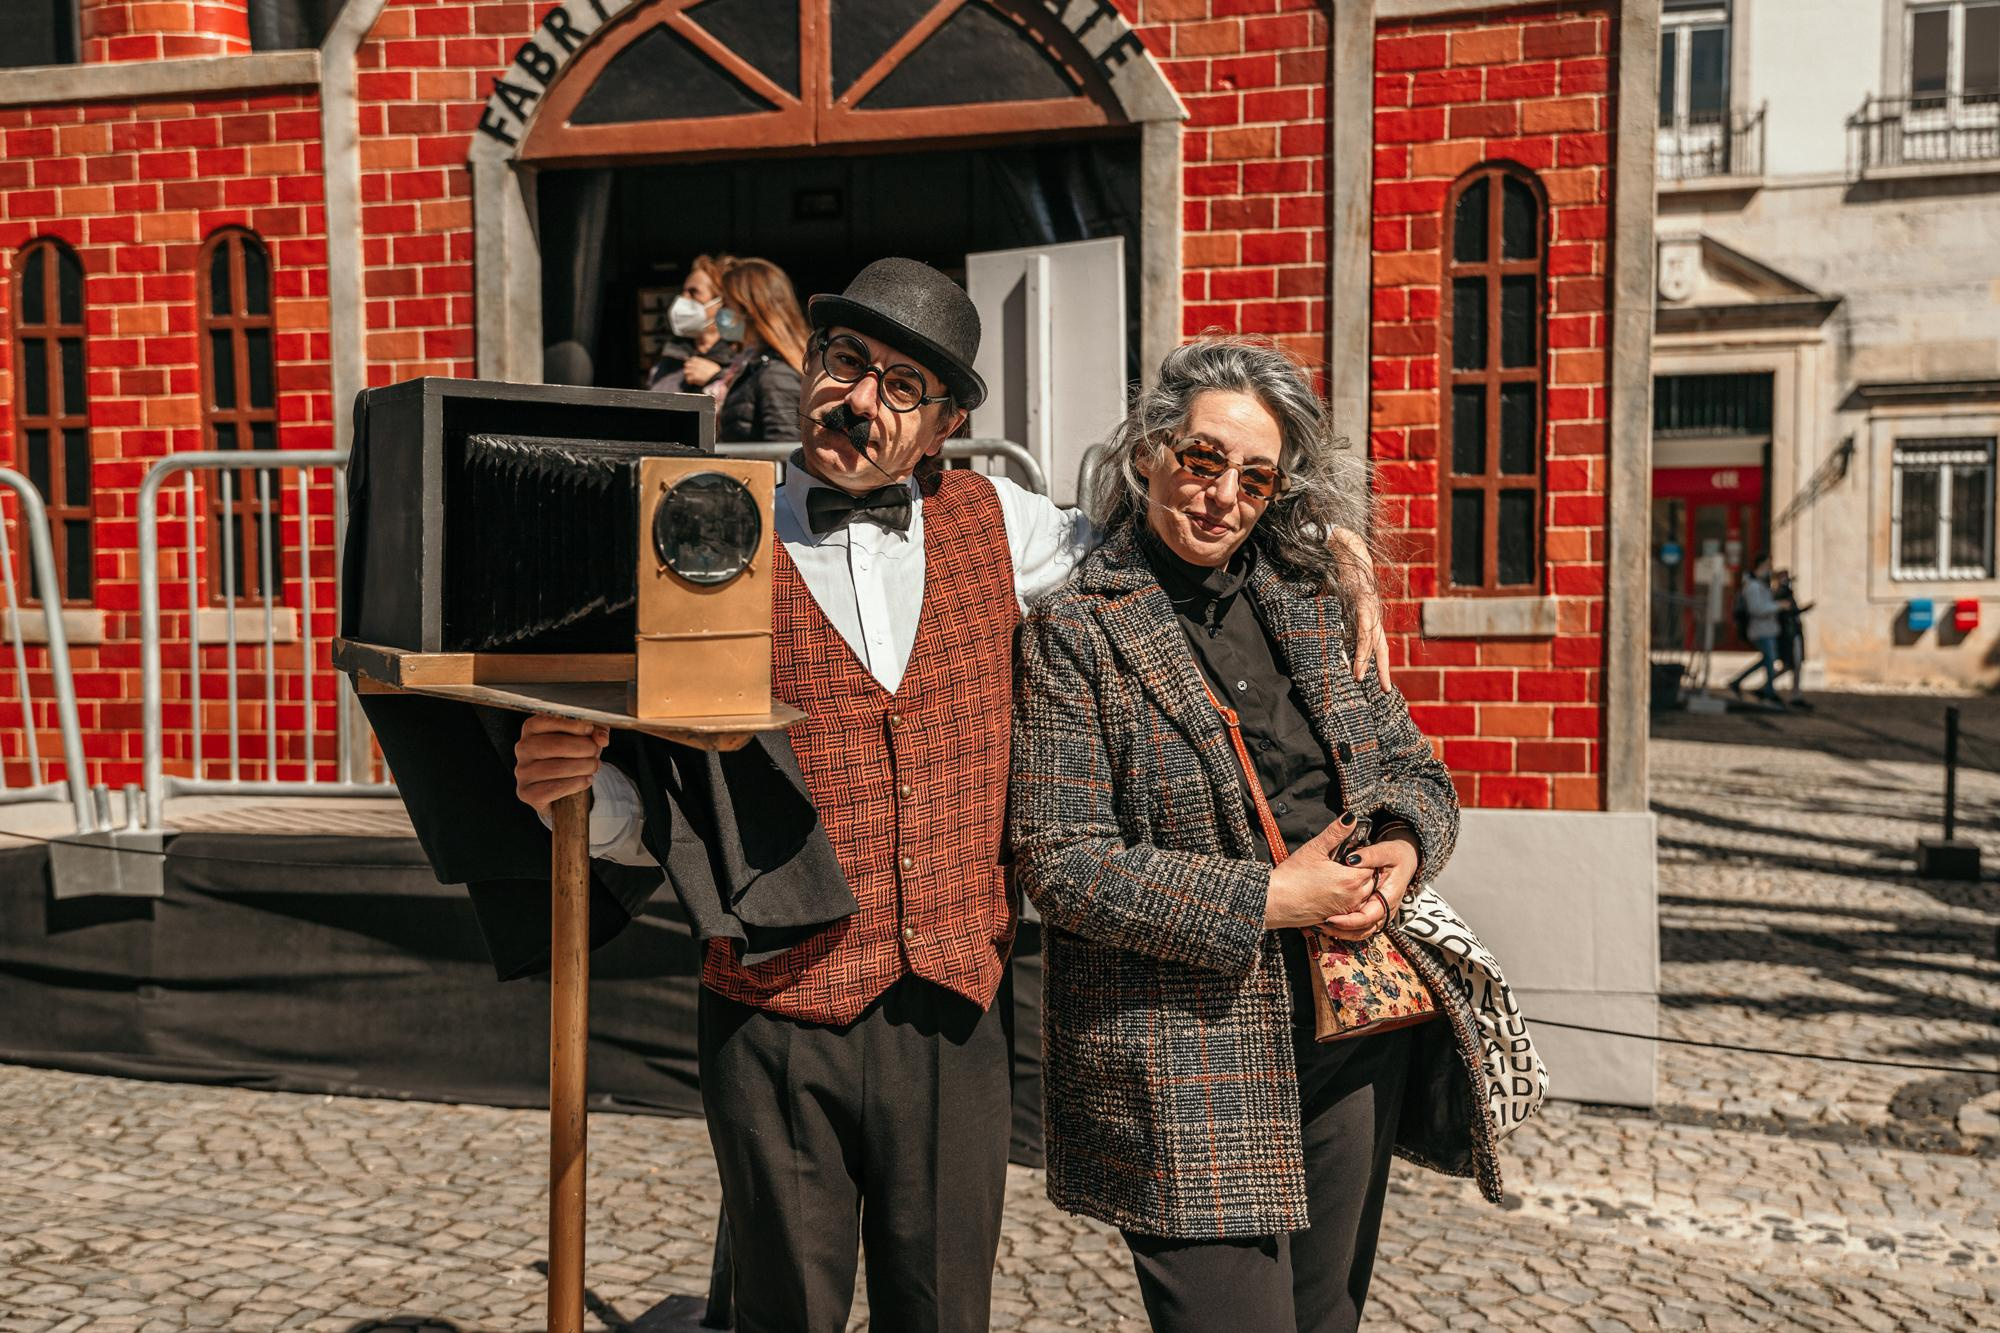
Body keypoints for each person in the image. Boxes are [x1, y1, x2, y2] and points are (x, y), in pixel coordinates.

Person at [509, 262, 1394, 1333]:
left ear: (942, 423)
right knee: (782, 1308)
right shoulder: (711, 530)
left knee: (942, 1312)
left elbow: (1180, 536)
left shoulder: (1007, 526)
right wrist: (573, 785)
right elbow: (655, 775)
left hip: (955, 1010)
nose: (859, 400)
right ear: (810, 368)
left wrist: (1325, 555)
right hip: (776, 1005)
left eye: (900, 387)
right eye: (844, 365)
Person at [1010, 338, 1528, 1333]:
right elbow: (1060, 862)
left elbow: (1416, 772)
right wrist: (1265, 898)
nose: (1222, 497)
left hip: (1347, 1026)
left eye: (1254, 476)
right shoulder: (1075, 627)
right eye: (1202, 461)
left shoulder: (1305, 601)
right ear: (1150, 449)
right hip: (1182, 1053)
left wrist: (1404, 849)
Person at [708, 257, 810, 443]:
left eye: (725, 304)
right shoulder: (747, 366)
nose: (719, 312)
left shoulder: (774, 374)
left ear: (747, 309)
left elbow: (783, 450)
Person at [644, 252, 734, 394]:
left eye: (694, 292)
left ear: (721, 303)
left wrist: (717, 378)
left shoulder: (741, 357)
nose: (683, 299)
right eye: (683, 292)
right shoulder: (669, 358)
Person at [1728, 556, 1784, 705]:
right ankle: (1769, 691)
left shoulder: (1762, 585)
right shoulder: (1752, 586)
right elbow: (1756, 609)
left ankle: (1739, 682)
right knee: (1769, 660)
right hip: (1760, 630)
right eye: (1769, 565)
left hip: (1768, 629)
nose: (1771, 568)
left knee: (1768, 660)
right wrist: (1779, 606)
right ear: (1761, 565)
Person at [1772, 568, 1814, 709]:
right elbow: (1788, 611)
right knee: (1792, 664)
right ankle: (1768, 686)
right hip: (1790, 634)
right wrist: (1803, 609)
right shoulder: (1781, 593)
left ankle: (1796, 694)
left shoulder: (1786, 593)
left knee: (1794, 665)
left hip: (1794, 633)